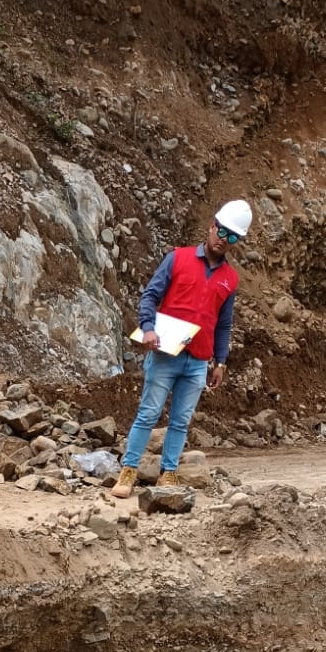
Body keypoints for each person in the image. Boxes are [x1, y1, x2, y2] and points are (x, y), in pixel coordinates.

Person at [112, 199, 252, 498]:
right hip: (166, 352)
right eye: (222, 232)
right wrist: (148, 328)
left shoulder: (230, 279)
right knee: (148, 414)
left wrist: (221, 362)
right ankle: (128, 472)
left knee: (180, 421)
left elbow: (223, 324)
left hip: (199, 360)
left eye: (232, 237)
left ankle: (169, 474)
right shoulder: (177, 259)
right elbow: (150, 295)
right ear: (211, 226)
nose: (224, 240)